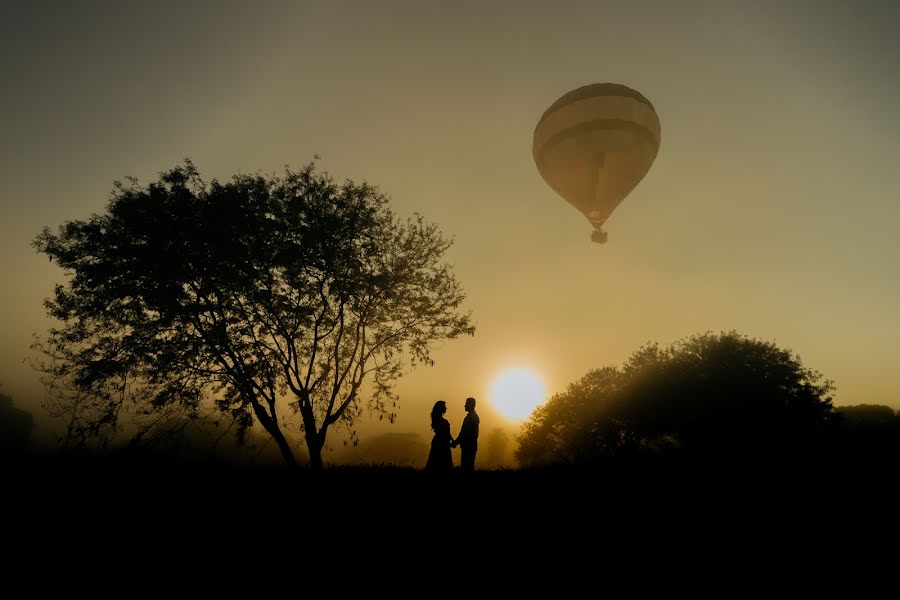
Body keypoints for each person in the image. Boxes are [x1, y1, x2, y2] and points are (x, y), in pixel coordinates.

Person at [452, 397, 480, 472]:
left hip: (468, 446)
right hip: (470, 445)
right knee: (468, 467)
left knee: (467, 468)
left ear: (470, 405)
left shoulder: (471, 418)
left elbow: (464, 433)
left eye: (466, 404)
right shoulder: (473, 417)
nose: (465, 406)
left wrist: (455, 442)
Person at [425, 400, 454, 473]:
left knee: (435, 464)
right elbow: (446, 434)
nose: (446, 408)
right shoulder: (443, 421)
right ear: (440, 408)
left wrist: (452, 440)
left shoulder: (438, 420)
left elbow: (446, 434)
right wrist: (453, 441)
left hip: (438, 442)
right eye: (444, 406)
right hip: (442, 444)